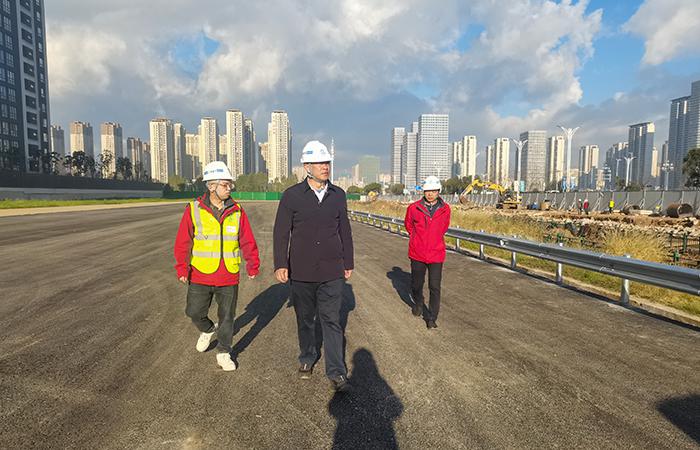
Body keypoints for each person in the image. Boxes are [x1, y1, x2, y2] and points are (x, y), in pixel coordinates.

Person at [273, 140, 354, 392]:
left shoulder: (338, 195)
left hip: (332, 270)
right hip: (302, 270)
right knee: (305, 319)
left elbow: (345, 230)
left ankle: (336, 371)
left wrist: (348, 261)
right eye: (319, 163)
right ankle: (307, 357)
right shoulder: (292, 196)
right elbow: (281, 232)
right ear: (307, 166)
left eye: (327, 162)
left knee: (331, 320)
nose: (325, 167)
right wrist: (280, 264)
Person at [174, 161, 260, 371]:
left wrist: (252, 263)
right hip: (200, 274)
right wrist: (182, 267)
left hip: (228, 274)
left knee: (227, 318)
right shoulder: (193, 209)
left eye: (230, 184)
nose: (230, 188)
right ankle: (207, 329)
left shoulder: (237, 211)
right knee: (193, 312)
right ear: (212, 186)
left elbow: (247, 239)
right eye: (225, 184)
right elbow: (183, 241)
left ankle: (223, 352)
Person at [404, 176, 451, 329]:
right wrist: (417, 239)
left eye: (433, 191)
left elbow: (444, 227)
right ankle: (418, 303)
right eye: (427, 191)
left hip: (436, 253)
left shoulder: (445, 209)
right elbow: (409, 225)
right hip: (417, 253)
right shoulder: (413, 208)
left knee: (435, 286)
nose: (430, 194)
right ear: (423, 192)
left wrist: (434, 239)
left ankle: (431, 317)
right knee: (417, 284)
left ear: (438, 191)